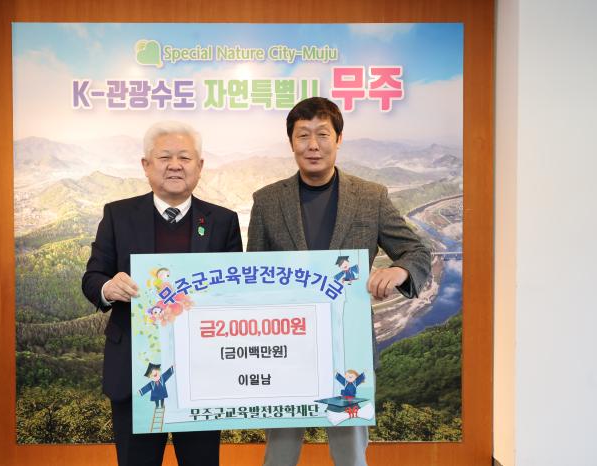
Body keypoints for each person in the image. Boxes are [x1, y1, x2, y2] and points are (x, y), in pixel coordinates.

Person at [247, 97, 431, 466]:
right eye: (303, 136)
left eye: (322, 134)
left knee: (350, 455)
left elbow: (417, 251)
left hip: (349, 350)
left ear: (339, 139)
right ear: (291, 142)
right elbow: (254, 276)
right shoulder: (267, 201)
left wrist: (400, 271)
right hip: (285, 348)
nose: (313, 145)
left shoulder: (371, 197)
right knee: (279, 453)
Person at [82, 121, 242, 466]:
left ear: (200, 166)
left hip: (201, 372)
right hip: (135, 372)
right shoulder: (118, 215)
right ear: (146, 165)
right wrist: (109, 288)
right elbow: (92, 278)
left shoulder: (223, 221)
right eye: (164, 157)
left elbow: (233, 292)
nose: (175, 165)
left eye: (184, 157)